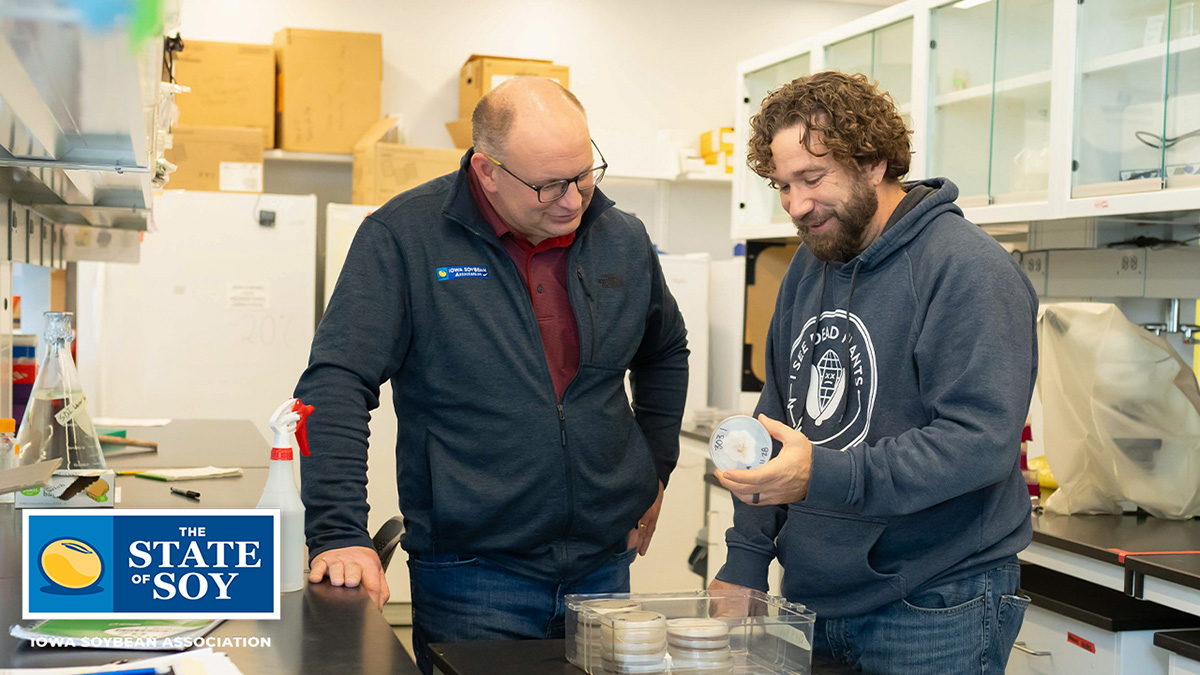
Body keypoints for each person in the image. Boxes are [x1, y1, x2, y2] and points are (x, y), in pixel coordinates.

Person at [293, 77, 689, 674]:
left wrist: (655, 470)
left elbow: (665, 349)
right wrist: (338, 532)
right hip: (472, 576)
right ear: (487, 171)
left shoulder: (622, 238)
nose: (573, 200)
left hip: (603, 568)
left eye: (584, 174)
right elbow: (336, 383)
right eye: (548, 185)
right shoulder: (404, 237)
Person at [709, 71, 1037, 674]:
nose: (797, 205)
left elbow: (979, 444)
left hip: (937, 603)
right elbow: (773, 423)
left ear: (875, 161)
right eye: (782, 186)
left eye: (813, 177)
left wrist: (821, 473)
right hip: (813, 601)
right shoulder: (811, 266)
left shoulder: (969, 270)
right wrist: (745, 563)